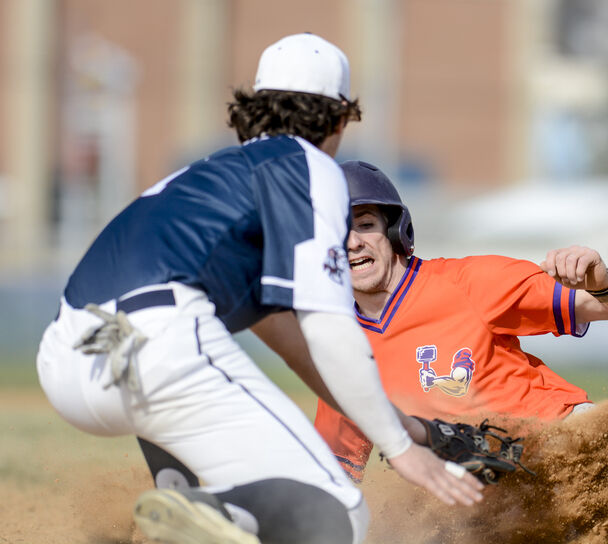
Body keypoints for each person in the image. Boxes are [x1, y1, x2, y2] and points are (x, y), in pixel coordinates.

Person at [35, 34, 482, 544]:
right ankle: (206, 510)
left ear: (254, 108)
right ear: (338, 118)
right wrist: (403, 452)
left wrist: (404, 426)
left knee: (256, 493)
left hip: (69, 361)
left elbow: (291, 342)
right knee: (333, 512)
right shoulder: (308, 168)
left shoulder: (203, 179)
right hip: (159, 346)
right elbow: (329, 331)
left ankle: (191, 503)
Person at [314, 160, 608, 543]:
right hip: (484, 491)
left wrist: (604, 279)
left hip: (565, 439)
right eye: (340, 230)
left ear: (397, 232)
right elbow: (336, 480)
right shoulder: (339, 350)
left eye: (366, 223)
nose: (354, 242)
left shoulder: (467, 283)